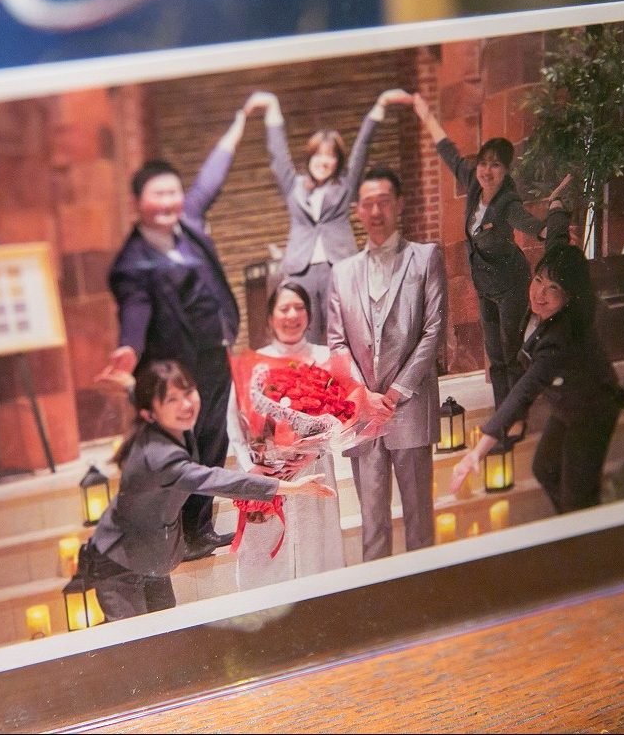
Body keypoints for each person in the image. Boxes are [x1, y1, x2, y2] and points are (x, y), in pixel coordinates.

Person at [96, 104, 254, 561]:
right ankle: (176, 537)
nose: (167, 203)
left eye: (173, 193)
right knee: (183, 448)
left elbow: (209, 181)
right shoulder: (133, 264)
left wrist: (238, 124)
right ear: (137, 204)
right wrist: (129, 349)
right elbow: (136, 308)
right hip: (175, 369)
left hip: (214, 355)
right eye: (157, 196)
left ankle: (200, 531)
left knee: (213, 441)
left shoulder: (190, 224)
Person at [86, 360, 336, 622]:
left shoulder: (172, 426)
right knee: (137, 640)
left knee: (165, 631)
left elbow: (145, 402)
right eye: (172, 400)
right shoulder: (160, 457)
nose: (186, 404)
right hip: (119, 564)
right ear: (151, 412)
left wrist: (130, 387)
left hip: (154, 553)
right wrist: (292, 487)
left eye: (188, 393)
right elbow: (218, 480)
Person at [449, 194, 624, 514]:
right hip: (566, 401)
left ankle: (583, 531)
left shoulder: (560, 339)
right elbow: (557, 239)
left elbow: (524, 391)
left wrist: (477, 452)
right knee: (544, 468)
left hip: (592, 409)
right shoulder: (548, 287)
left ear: (570, 298)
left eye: (553, 289)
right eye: (538, 281)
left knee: (577, 496)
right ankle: (572, 523)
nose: (540, 294)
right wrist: (557, 205)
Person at [326, 165, 448, 562]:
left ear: (399, 204)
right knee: (372, 526)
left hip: (409, 406)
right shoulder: (342, 273)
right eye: (367, 204)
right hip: (363, 416)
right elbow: (336, 342)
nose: (375, 211)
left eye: (383, 202)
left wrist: (395, 392)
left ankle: (425, 590)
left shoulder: (425, 258)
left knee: (419, 522)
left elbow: (433, 329)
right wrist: (363, 396)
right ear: (358, 211)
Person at [410, 92, 548, 409]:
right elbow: (449, 153)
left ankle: (519, 412)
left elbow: (528, 223)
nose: (487, 170)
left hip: (511, 285)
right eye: (484, 163)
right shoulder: (474, 185)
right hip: (485, 286)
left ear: (506, 171)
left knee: (511, 353)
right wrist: (427, 117)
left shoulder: (507, 202)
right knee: (495, 357)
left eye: (495, 165)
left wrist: (548, 230)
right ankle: (503, 414)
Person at [244, 88, 413, 344]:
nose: (323, 161)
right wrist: (272, 107)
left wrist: (380, 105)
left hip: (338, 268)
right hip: (300, 271)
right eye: (318, 155)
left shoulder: (345, 186)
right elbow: (278, 156)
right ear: (310, 157)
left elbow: (362, 149)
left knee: (344, 333)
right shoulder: (293, 186)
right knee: (305, 337)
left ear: (337, 161)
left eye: (330, 156)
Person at [226, 281, 346, 590]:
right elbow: (234, 424)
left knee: (316, 550)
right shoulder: (252, 364)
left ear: (309, 315)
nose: (292, 315)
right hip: (267, 474)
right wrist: (251, 468)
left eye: (299, 308)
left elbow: (344, 417)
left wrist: (314, 451)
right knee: (267, 555)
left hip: (315, 471)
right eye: (284, 309)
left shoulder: (325, 357)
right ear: (270, 318)